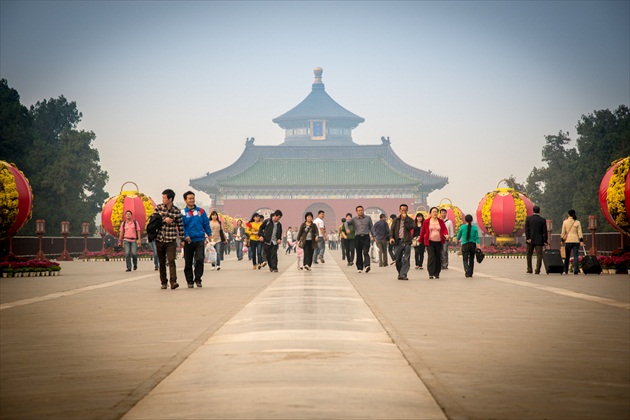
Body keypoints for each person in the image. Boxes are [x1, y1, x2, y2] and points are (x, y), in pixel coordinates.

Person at [155, 189, 185, 289]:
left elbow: (180, 226)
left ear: (170, 199)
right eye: (162, 197)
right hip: (159, 239)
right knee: (162, 262)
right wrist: (164, 220)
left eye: (164, 197)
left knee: (171, 260)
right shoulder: (158, 208)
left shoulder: (176, 211)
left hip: (171, 240)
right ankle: (163, 282)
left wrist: (182, 239)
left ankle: (173, 282)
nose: (163, 199)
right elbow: (153, 220)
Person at [181, 191, 211, 288]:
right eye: (189, 198)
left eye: (193, 198)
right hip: (188, 240)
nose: (192, 200)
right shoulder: (183, 212)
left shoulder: (201, 211)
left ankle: (198, 279)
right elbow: (181, 226)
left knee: (199, 260)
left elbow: (206, 223)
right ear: (185, 200)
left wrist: (209, 234)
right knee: (188, 261)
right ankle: (189, 281)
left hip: (199, 239)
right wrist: (185, 236)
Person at [346, 205, 376, 273]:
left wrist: (374, 236)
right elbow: (346, 223)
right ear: (356, 212)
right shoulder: (354, 219)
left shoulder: (368, 218)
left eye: (361, 210)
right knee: (359, 252)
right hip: (358, 237)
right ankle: (359, 267)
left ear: (363, 210)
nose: (360, 212)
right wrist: (347, 229)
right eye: (359, 210)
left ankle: (367, 265)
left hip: (366, 237)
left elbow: (371, 227)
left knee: (366, 251)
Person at [421, 207, 448, 279]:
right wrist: (420, 240)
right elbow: (423, 231)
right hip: (429, 241)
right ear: (430, 213)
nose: (435, 213)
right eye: (433, 212)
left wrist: (446, 234)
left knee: (438, 257)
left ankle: (437, 273)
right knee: (431, 257)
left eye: (436, 212)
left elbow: (444, 229)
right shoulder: (426, 221)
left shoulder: (441, 221)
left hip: (439, 242)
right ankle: (431, 273)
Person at [389, 204, 415, 280]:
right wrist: (391, 238)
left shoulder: (410, 220)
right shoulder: (396, 220)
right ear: (399, 210)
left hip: (406, 241)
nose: (403, 211)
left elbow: (410, 227)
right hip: (398, 241)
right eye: (402, 210)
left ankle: (403, 274)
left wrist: (405, 219)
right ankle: (400, 273)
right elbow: (392, 230)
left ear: (407, 211)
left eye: (405, 210)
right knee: (398, 259)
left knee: (406, 259)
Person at [525, 205, 548, 274]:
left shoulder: (528, 219)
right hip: (539, 240)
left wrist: (528, 238)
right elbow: (545, 231)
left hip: (530, 240)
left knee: (529, 254)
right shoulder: (542, 220)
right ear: (539, 211)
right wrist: (545, 240)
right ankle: (537, 270)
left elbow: (527, 230)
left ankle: (529, 269)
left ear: (533, 211)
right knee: (539, 255)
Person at [560, 209, 584, 275]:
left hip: (568, 240)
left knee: (567, 256)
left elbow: (563, 232)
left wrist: (562, 240)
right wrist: (581, 240)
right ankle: (576, 269)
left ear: (568, 214)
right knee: (576, 255)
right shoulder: (577, 222)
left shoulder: (565, 222)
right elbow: (580, 232)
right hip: (576, 240)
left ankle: (565, 269)